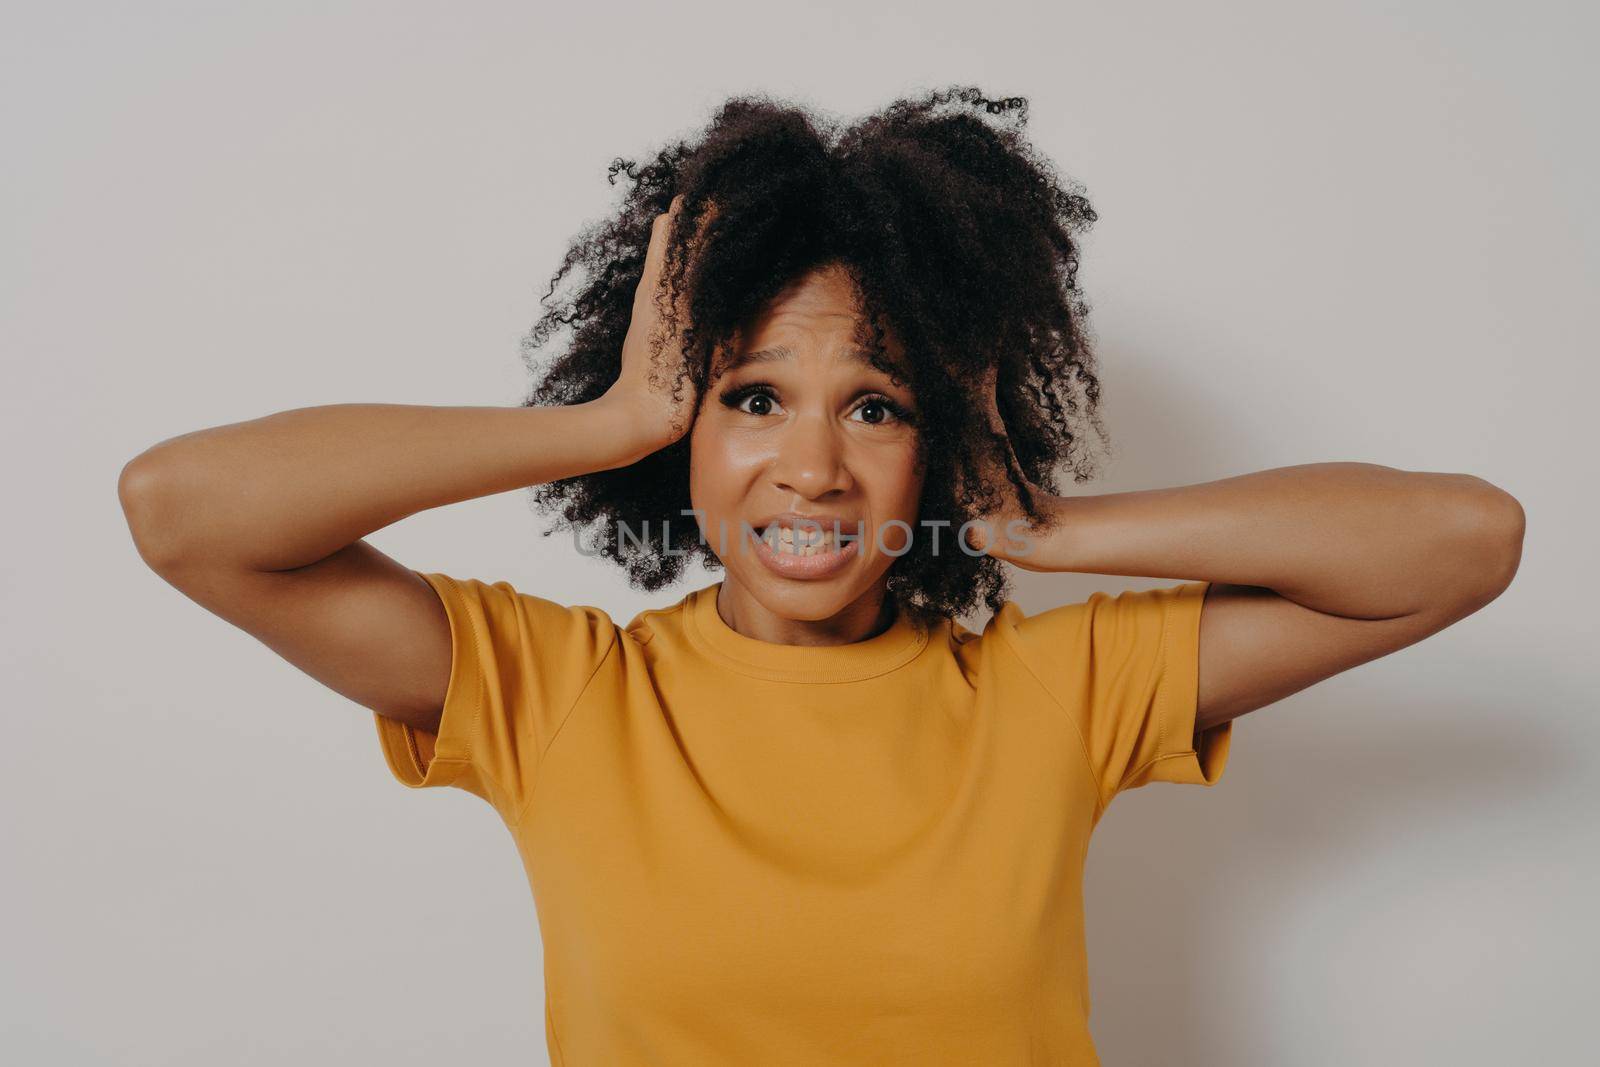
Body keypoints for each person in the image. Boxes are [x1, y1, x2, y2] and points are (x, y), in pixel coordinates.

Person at [117, 88, 1525, 1065]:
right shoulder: (555, 694)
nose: (813, 467)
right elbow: (182, 511)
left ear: (943, 444)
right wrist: (606, 420)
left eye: (878, 405)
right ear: (686, 431)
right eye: (749, 399)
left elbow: (1462, 543)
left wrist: (1039, 524)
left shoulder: (1058, 692)